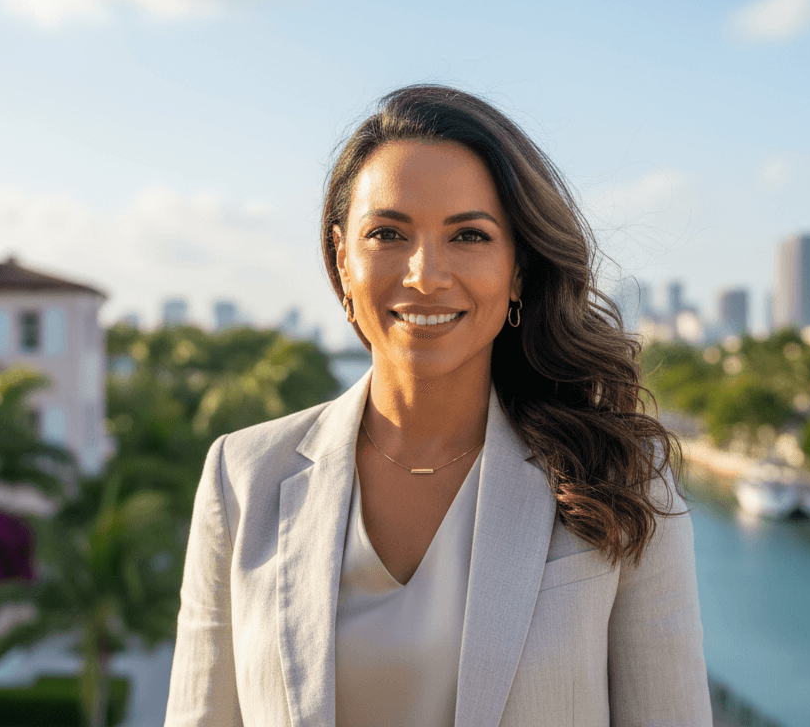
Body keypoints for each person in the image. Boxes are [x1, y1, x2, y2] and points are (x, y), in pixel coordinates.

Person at [165, 85, 710, 726]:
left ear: (518, 269)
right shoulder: (242, 477)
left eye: (469, 236)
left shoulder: (621, 475)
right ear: (342, 259)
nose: (425, 274)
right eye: (387, 233)